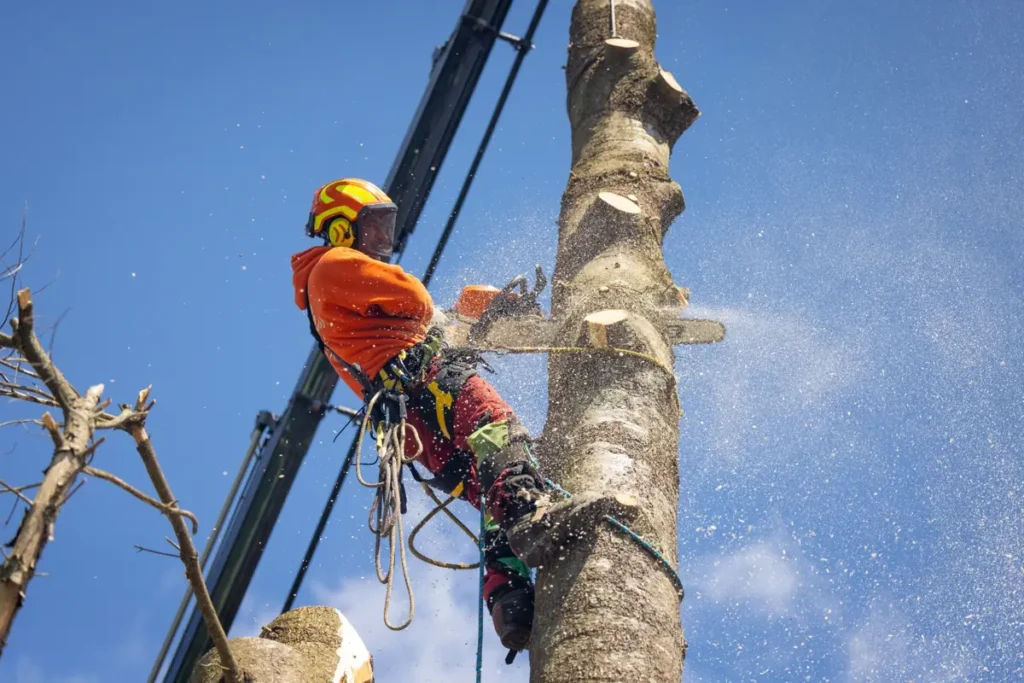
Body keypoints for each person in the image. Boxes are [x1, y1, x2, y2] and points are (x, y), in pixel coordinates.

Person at [290, 178, 629, 652]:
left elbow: (415, 321)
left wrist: (471, 316)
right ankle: (529, 516)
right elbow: (415, 299)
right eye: (372, 227)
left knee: (490, 490)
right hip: (430, 382)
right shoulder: (333, 264)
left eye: (386, 228)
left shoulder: (335, 304)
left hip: (412, 430)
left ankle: (510, 599)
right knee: (498, 427)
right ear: (341, 227)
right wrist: (459, 316)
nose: (382, 240)